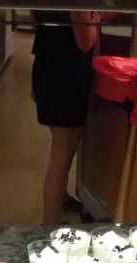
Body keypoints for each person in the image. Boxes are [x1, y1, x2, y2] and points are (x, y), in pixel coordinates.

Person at [30, 10, 101, 225]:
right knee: (62, 152)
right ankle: (49, 224)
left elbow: (36, 20)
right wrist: (96, 16)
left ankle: (60, 197)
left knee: (60, 146)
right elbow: (85, 42)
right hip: (68, 72)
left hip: (47, 63)